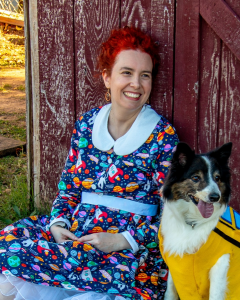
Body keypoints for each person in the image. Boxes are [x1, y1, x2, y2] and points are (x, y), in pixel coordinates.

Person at [0, 26, 179, 300]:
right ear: (107, 77)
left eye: (145, 75)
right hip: (77, 232)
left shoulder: (162, 136)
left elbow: (172, 215)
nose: (136, 84)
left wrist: (122, 240)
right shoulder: (87, 124)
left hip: (126, 247)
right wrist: (59, 224)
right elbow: (69, 189)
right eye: (126, 73)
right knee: (9, 246)